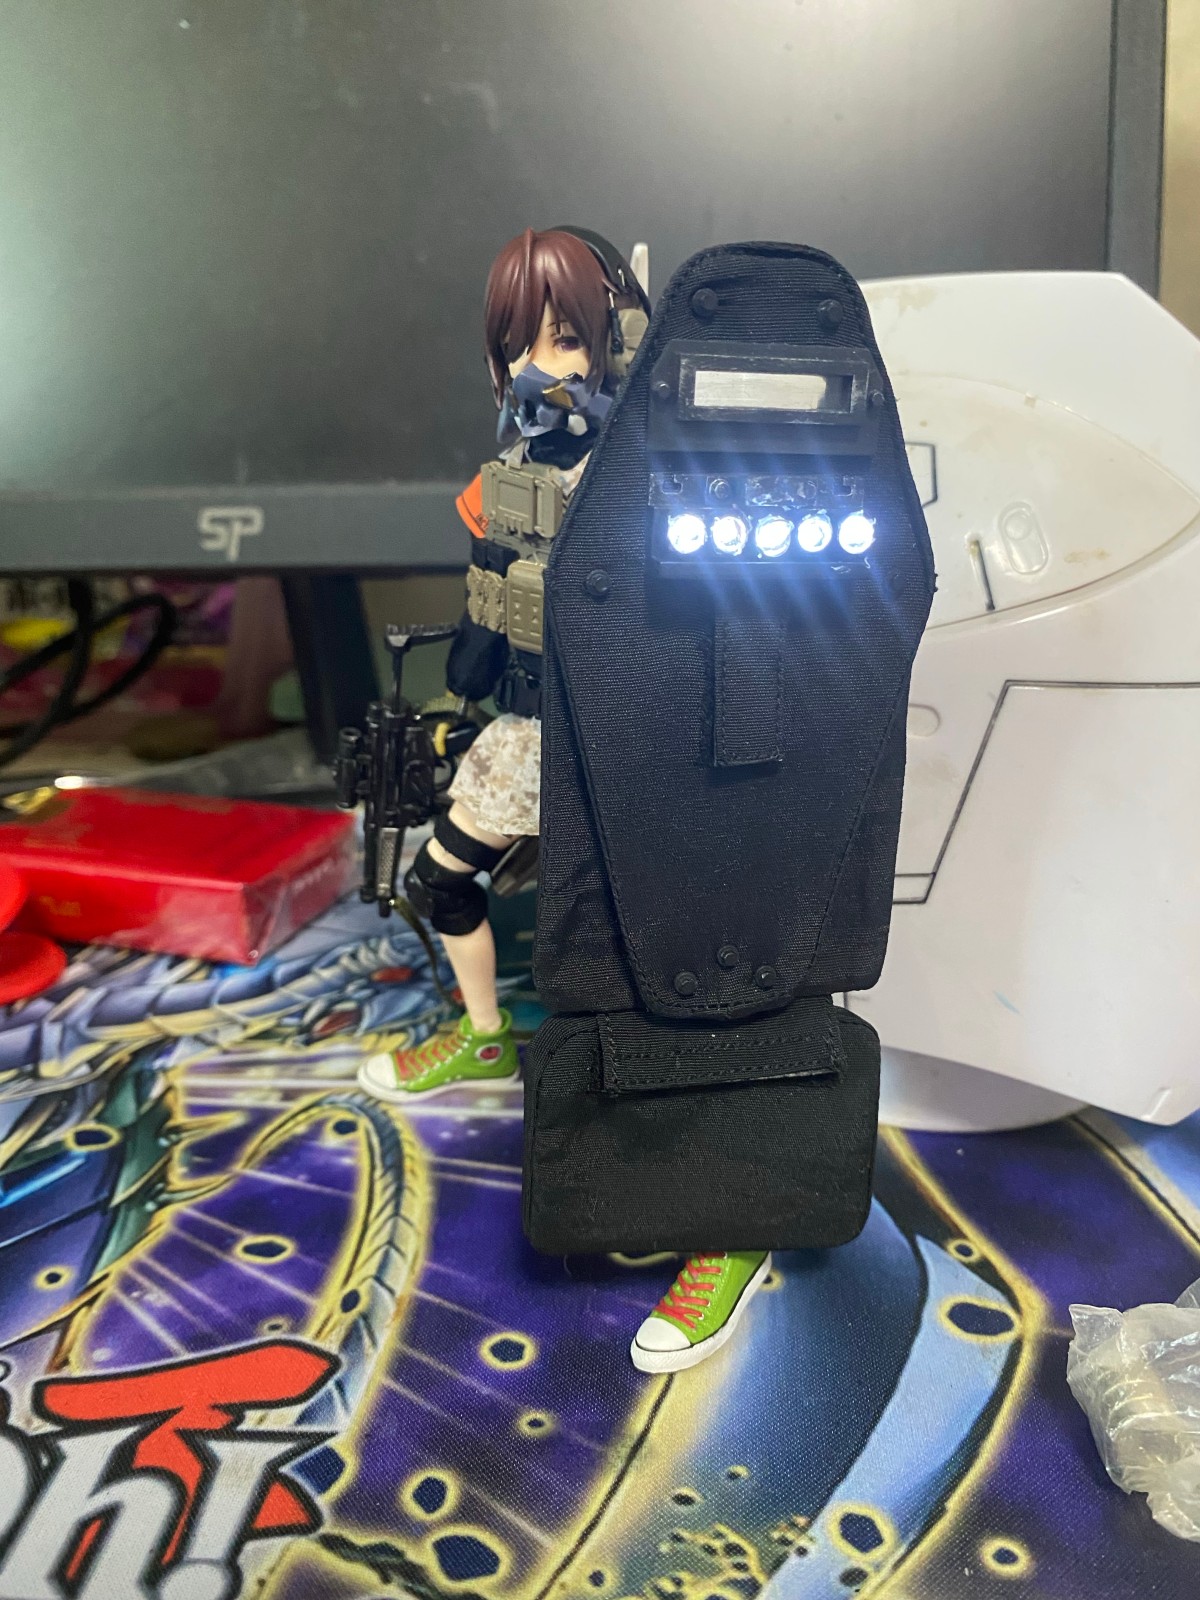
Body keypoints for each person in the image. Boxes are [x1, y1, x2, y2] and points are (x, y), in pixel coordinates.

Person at [359, 228, 770, 1373]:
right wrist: (464, 704)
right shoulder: (508, 479)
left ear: (617, 342)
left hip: (637, 753)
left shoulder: (658, 476)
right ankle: (484, 1034)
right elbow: (492, 612)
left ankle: (732, 1217)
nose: (544, 365)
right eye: (522, 343)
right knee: (436, 878)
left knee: (655, 983)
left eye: (569, 339)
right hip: (531, 733)